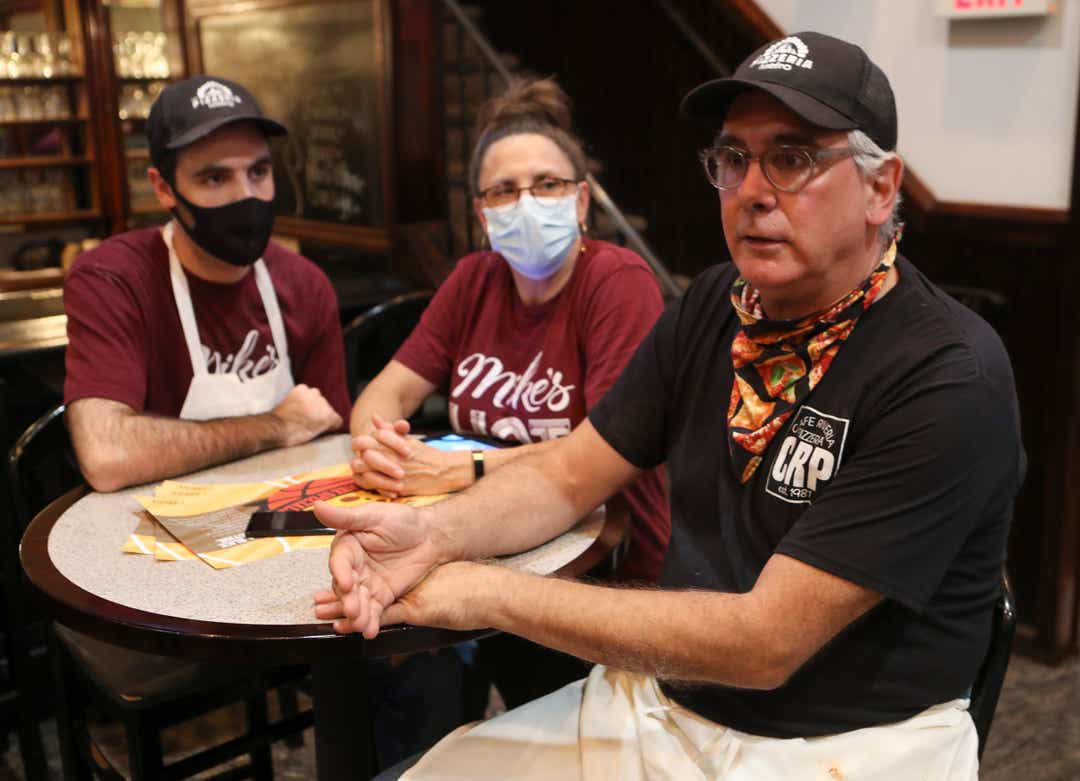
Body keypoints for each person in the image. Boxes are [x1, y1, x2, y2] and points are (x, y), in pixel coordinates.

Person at [314, 31, 1025, 780]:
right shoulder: (714, 304)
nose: (752, 190)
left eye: (791, 159)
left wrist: (485, 592)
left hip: (846, 743)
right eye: (734, 158)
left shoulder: (946, 374)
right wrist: (432, 536)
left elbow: (764, 642)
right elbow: (567, 475)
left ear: (882, 188)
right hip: (665, 700)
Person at [348, 78, 671, 705]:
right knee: (388, 663)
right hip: (486, 548)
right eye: (504, 190)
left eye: (547, 185)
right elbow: (383, 394)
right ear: (482, 214)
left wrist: (463, 468)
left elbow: (605, 448)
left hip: (606, 575)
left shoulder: (618, 280)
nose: (526, 203)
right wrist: (380, 446)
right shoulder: (474, 279)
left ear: (581, 201)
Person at [64, 75, 348, 492]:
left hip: (285, 505)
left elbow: (331, 439)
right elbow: (107, 455)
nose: (246, 196)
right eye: (215, 179)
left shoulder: (305, 284)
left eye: (259, 172)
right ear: (164, 188)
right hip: (150, 519)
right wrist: (275, 426)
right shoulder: (114, 280)